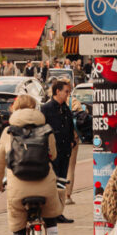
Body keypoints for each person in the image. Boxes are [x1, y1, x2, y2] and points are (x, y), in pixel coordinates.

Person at [0, 93, 65, 235]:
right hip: (45, 185)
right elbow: (54, 155)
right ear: (34, 108)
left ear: (15, 109)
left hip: (18, 188)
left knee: (17, 225)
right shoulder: (46, 128)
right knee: (50, 211)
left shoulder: (8, 131)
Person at [42, 78, 76, 221]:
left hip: (65, 152)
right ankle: (50, 213)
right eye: (66, 91)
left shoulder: (66, 109)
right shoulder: (46, 109)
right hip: (53, 153)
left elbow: (69, 127)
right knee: (52, 183)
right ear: (58, 91)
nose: (68, 94)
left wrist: (72, 141)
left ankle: (59, 212)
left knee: (61, 182)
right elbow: (43, 130)